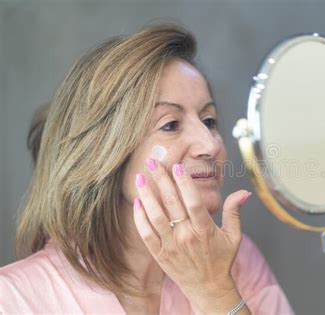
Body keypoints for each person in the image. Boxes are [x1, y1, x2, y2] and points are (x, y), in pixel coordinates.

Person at [0, 22, 294, 314]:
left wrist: (214, 291)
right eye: (170, 125)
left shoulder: (237, 262)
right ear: (103, 152)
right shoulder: (14, 299)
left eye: (209, 121)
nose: (210, 144)